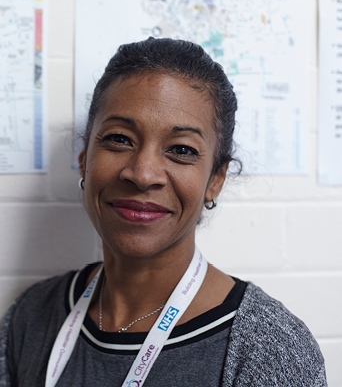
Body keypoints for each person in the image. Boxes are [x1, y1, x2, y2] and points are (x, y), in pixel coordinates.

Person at [0, 38, 327, 387]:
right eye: (119, 139)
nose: (142, 174)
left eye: (182, 149)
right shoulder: (32, 315)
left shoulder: (267, 347)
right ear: (84, 159)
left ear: (216, 179)